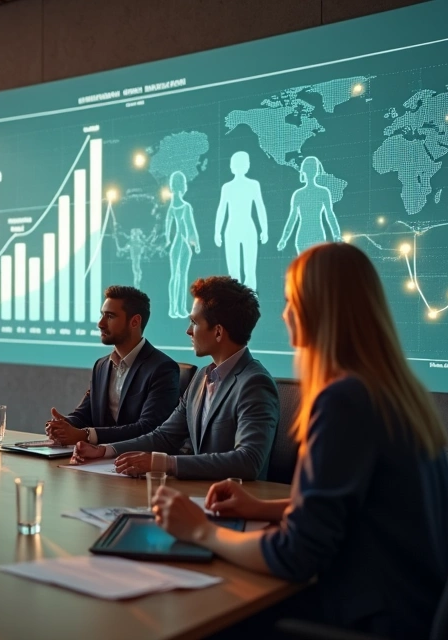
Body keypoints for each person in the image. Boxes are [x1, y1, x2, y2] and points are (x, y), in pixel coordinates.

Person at [151, 243, 448, 638]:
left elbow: (295, 555)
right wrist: (264, 507)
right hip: (415, 606)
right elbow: (356, 506)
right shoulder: (392, 390)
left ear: (316, 309)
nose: (284, 314)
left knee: (205, 613)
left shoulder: (344, 400)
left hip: (376, 619)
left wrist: (202, 531)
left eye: (290, 301)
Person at [71, 276, 279, 480]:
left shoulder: (254, 383)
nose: (188, 331)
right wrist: (105, 450)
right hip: (199, 493)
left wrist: (165, 463)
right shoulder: (202, 377)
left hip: (237, 498)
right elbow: (164, 436)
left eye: (194, 322)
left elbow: (248, 460)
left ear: (218, 332)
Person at [45, 286, 180, 447]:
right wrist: (64, 424)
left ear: (135, 321)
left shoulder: (163, 368)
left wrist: (86, 435)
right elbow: (85, 415)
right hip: (97, 458)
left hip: (139, 460)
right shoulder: (101, 366)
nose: (100, 324)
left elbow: (148, 428)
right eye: (102, 315)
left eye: (110, 316)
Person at [214, 151, 269, 289]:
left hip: (243, 229)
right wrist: (217, 232)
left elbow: (260, 207)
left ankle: (248, 300)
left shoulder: (252, 185)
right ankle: (243, 300)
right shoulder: (228, 187)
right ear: (247, 165)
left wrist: (265, 229)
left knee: (245, 272)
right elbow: (222, 210)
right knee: (239, 273)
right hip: (237, 229)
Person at [277, 156, 341, 254]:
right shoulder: (308, 193)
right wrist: (283, 239)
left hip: (314, 236)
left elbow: (330, 215)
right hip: (309, 236)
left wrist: (337, 235)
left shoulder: (319, 192)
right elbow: (292, 218)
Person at [163, 171, 199, 318]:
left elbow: (168, 227)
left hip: (176, 244)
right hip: (183, 244)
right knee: (181, 276)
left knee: (175, 276)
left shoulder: (173, 208)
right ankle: (179, 308)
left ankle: (175, 308)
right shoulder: (185, 207)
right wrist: (196, 244)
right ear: (183, 186)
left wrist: (167, 240)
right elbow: (190, 228)